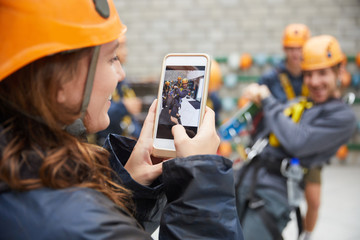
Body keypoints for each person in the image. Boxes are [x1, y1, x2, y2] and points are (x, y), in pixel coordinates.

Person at [0, 1, 243, 239]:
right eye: (111, 58)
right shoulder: (78, 221)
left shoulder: (26, 179)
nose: (121, 73)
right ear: (58, 80)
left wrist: (126, 190)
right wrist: (201, 185)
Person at [236, 35, 356, 240]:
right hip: (246, 177)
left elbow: (297, 141)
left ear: (339, 71)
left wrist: (267, 99)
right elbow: (272, 122)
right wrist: (256, 98)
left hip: (271, 194)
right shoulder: (304, 103)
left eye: (322, 73)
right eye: (309, 74)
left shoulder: (342, 117)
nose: (314, 82)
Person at [258, 23, 324, 237]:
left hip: (309, 147)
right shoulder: (271, 78)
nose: (296, 53)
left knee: (313, 200)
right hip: (280, 149)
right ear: (285, 49)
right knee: (276, 201)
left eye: (300, 48)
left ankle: (306, 235)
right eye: (291, 48)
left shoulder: (316, 75)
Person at [95, 35, 143, 144]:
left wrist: (137, 137)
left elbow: (131, 119)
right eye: (120, 46)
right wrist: (124, 106)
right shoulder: (103, 81)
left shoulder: (123, 83)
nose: (125, 52)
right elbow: (99, 114)